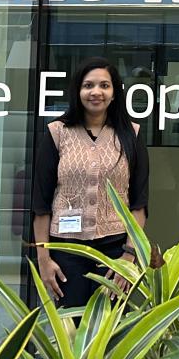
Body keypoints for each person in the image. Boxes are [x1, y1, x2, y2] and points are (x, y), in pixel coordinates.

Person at [31, 56, 150, 307]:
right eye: (88, 85)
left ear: (114, 93)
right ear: (78, 91)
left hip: (115, 252)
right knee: (70, 323)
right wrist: (43, 259)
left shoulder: (131, 134)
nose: (96, 92)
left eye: (104, 85)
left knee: (110, 323)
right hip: (66, 251)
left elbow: (139, 203)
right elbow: (41, 204)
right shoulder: (57, 133)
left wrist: (129, 257)